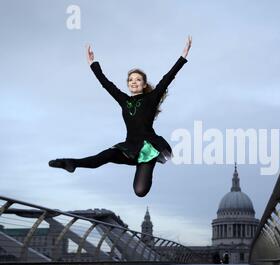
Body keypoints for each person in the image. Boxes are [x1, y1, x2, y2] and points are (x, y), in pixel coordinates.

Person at [49, 36, 192, 197]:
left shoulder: (151, 98)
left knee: (140, 191)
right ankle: (71, 162)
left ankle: (146, 169)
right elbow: (107, 84)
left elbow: (167, 78)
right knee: (104, 156)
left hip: (147, 149)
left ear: (144, 84)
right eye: (130, 79)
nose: (133, 82)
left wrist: (183, 56)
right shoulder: (124, 100)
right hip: (129, 147)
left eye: (138, 79)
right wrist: (92, 64)